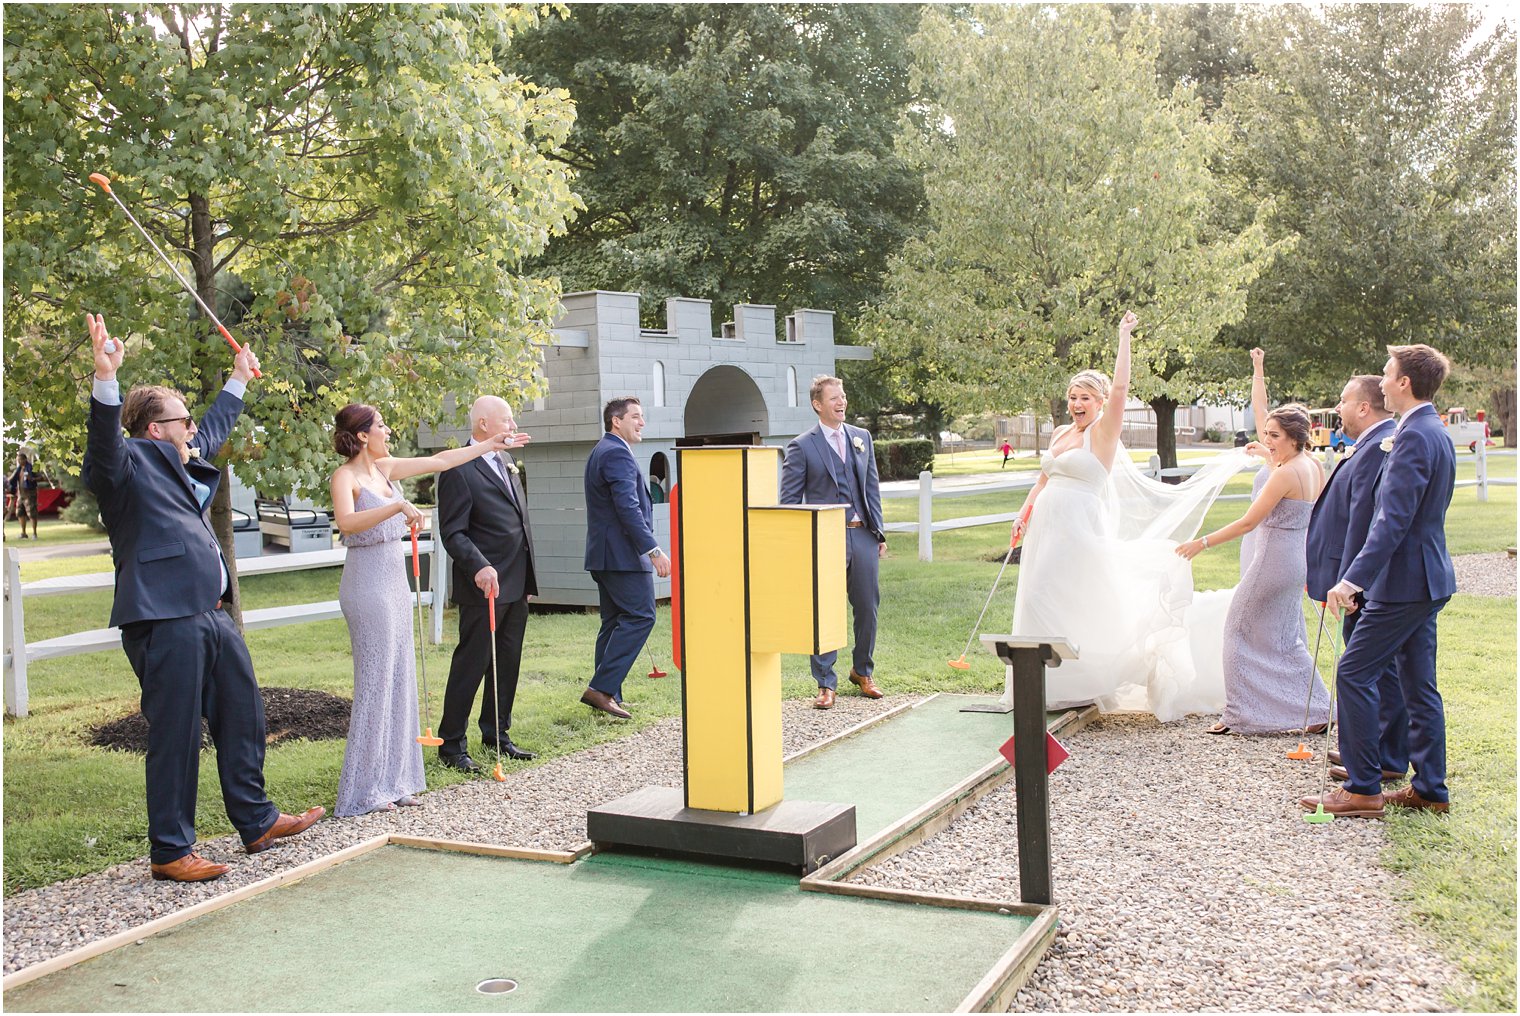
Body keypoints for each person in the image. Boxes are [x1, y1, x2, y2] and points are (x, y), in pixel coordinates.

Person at [81, 313, 323, 882]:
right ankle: (170, 849)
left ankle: (257, 819)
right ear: (152, 429)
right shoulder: (125, 464)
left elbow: (213, 429)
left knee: (244, 714)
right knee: (177, 732)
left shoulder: (179, 456)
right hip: (164, 619)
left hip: (212, 614)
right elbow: (103, 449)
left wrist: (238, 378)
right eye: (182, 420)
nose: (194, 428)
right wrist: (105, 380)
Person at [1008, 312, 1247, 719]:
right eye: (1073, 396)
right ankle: (1042, 688)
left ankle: (1079, 683)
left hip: (1078, 528)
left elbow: (1121, 387)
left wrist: (1124, 336)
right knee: (1036, 596)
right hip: (1046, 527)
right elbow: (1043, 479)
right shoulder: (1061, 433)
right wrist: (1024, 511)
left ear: (1100, 403)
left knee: (1064, 596)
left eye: (1086, 397)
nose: (1077, 404)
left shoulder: (1102, 433)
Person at [328, 402, 518, 811]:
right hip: (366, 583)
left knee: (401, 678)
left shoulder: (385, 469)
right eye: (382, 425)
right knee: (377, 680)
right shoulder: (345, 477)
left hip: (395, 581)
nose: (389, 431)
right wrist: (396, 506)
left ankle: (396, 781)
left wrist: (488, 445)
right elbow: (345, 523)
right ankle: (366, 789)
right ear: (362, 435)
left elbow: (442, 459)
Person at [1302, 344, 1457, 819]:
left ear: (1405, 382)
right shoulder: (1434, 431)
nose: (1384, 381)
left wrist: (1352, 581)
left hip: (1404, 582)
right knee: (1418, 684)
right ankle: (1430, 788)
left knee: (1355, 671)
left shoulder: (1411, 436)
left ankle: (1364, 787)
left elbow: (1393, 521)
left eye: (1388, 374)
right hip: (1428, 578)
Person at [1175, 356, 1330, 734]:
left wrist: (1203, 542)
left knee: (1238, 630)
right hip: (1298, 561)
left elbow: (1249, 522)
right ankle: (1321, 708)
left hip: (1272, 559)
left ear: (1294, 437)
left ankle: (1240, 714)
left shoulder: (1284, 474)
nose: (1267, 441)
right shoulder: (1314, 466)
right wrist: (1259, 373)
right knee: (1285, 638)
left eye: (1274, 437)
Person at [1305, 375, 1406, 783]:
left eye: (1343, 401)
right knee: (1377, 670)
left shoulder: (1377, 447)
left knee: (1376, 672)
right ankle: (1370, 749)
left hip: (1359, 581)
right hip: (1353, 576)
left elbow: (1363, 521)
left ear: (1364, 407)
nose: (1338, 407)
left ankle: (1382, 758)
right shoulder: (1366, 444)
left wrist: (1349, 582)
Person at [435, 396, 539, 772]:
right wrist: (479, 566)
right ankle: (451, 744)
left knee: (507, 661)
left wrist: (528, 576)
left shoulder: (507, 462)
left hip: (516, 580)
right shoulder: (458, 469)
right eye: (506, 420)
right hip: (484, 584)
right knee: (473, 663)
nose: (512, 426)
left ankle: (497, 733)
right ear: (482, 425)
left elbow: (519, 524)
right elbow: (454, 532)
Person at [780, 375, 887, 709]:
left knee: (868, 607)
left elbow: (871, 487)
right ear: (817, 404)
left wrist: (878, 533)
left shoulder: (861, 437)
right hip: (825, 539)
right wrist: (801, 542)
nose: (841, 403)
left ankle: (863, 671)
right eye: (833, 399)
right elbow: (789, 500)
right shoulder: (802, 446)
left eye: (843, 397)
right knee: (825, 609)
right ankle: (825, 683)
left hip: (863, 534)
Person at [582, 397, 670, 719]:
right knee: (642, 617)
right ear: (616, 421)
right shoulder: (616, 452)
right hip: (622, 557)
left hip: (605, 555)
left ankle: (607, 694)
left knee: (614, 622)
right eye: (636, 416)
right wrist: (654, 550)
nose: (642, 422)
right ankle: (601, 690)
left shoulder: (602, 450)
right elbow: (627, 508)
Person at [7, 451, 38, 538]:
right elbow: (12, 480)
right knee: (20, 513)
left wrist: (31, 478)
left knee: (32, 513)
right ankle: (23, 533)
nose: (19, 461)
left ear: (25, 459)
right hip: (21, 494)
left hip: (30, 493)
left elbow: (41, 477)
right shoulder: (18, 469)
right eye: (18, 460)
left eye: (20, 460)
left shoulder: (32, 467)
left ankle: (34, 533)